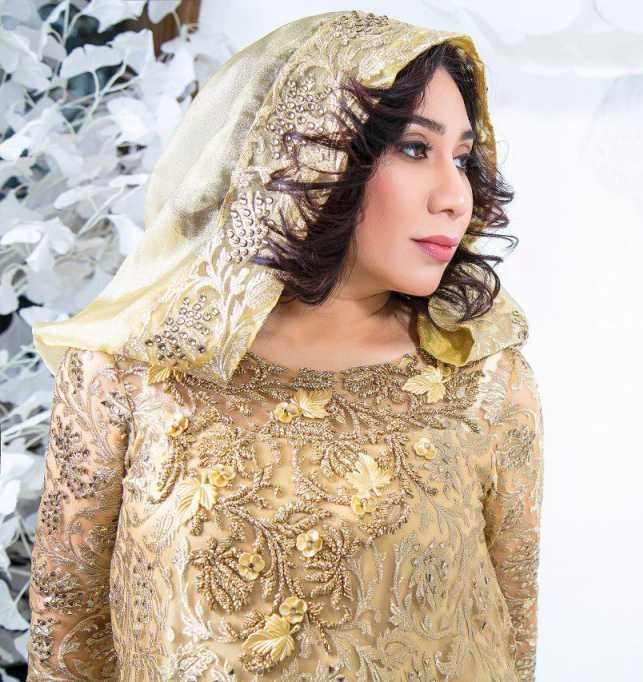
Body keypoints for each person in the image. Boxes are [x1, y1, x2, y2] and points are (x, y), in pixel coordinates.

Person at [26, 10, 543, 681]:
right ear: (307, 150)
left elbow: (511, 638)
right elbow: (67, 646)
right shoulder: (128, 373)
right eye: (416, 149)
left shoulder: (486, 380)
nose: (456, 196)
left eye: (464, 158)